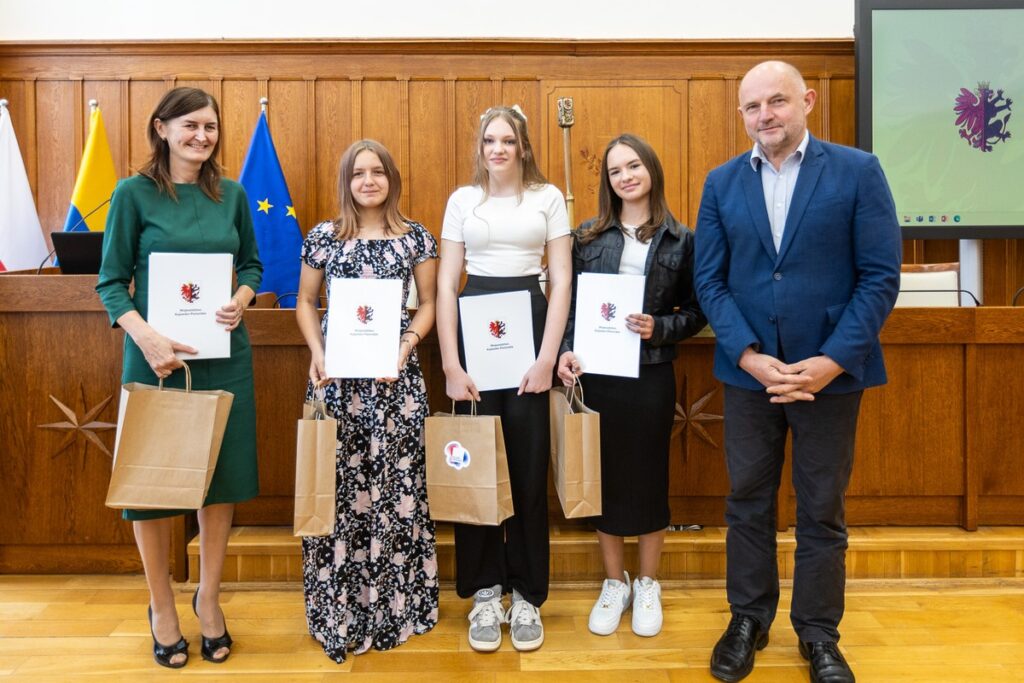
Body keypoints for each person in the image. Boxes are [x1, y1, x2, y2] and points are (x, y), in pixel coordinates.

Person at [693, 61, 901, 683]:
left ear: (807, 101)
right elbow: (710, 280)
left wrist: (832, 361)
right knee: (747, 502)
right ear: (742, 115)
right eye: (753, 107)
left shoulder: (858, 172)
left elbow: (879, 276)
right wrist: (752, 358)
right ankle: (748, 621)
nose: (766, 116)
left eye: (777, 101)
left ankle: (818, 635)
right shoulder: (722, 182)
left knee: (822, 509)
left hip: (830, 378)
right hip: (750, 376)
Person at [96, 87, 263, 668]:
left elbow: (252, 264)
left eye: (211, 126)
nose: (202, 135)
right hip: (156, 359)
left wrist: (241, 299)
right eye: (190, 124)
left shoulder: (233, 194)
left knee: (220, 480)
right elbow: (110, 282)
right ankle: (162, 606)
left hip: (225, 356)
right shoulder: (131, 194)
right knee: (153, 486)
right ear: (161, 128)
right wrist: (147, 337)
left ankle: (209, 599)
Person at [556, 134, 706, 638]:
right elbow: (571, 308)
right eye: (616, 170)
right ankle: (614, 581)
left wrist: (658, 327)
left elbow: (698, 311)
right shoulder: (588, 236)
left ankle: (647, 582)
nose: (626, 176)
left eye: (634, 165)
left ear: (651, 171)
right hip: (598, 375)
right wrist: (566, 351)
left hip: (651, 373)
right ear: (609, 182)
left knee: (648, 475)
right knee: (605, 478)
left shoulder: (681, 239)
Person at [295, 139, 439, 662]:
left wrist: (406, 345)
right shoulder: (324, 237)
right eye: (359, 173)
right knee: (338, 487)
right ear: (347, 181)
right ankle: (340, 608)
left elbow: (428, 304)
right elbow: (307, 302)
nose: (369, 181)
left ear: (392, 179)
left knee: (394, 485)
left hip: (393, 381)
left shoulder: (415, 238)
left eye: (378, 172)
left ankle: (395, 605)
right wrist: (317, 351)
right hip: (336, 379)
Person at [437, 105, 571, 652]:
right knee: (474, 466)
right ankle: (485, 592)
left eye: (508, 141)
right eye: (489, 140)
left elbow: (560, 281)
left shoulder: (548, 197)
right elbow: (446, 285)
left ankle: (527, 596)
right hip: (473, 333)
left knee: (526, 465)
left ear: (523, 147)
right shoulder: (461, 201)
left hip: (531, 333)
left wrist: (547, 357)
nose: (498, 149)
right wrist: (450, 363)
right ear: (481, 147)